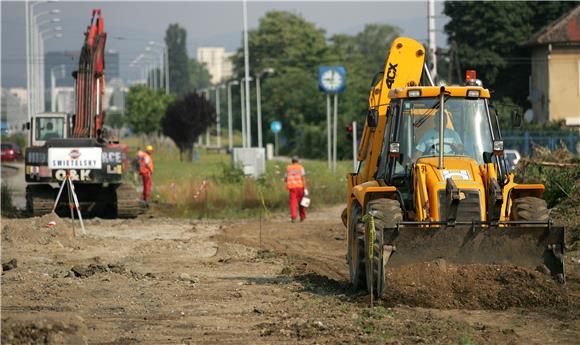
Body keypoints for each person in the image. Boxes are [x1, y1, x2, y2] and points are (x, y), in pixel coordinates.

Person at [285, 156, 307, 223]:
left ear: (292, 161)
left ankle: (293, 217)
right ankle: (302, 217)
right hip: (300, 187)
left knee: (293, 203)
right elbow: (303, 178)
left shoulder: (288, 168)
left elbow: (285, 178)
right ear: (298, 161)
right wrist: (305, 188)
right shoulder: (301, 167)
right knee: (302, 202)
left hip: (292, 188)